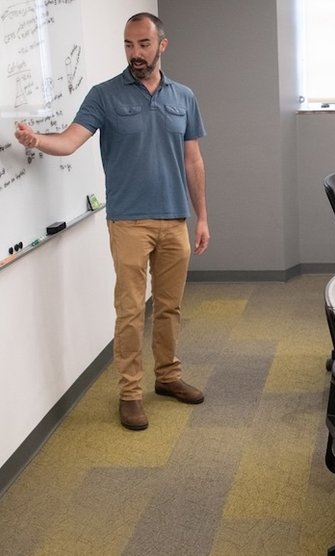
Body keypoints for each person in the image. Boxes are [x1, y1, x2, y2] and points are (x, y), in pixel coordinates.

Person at [14, 12, 208, 431]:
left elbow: (193, 160)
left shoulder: (184, 97)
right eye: (128, 45)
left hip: (175, 219)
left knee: (170, 308)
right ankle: (130, 393)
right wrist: (37, 141)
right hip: (129, 223)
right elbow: (69, 140)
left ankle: (168, 377)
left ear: (162, 45)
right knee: (130, 310)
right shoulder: (104, 96)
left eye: (142, 44)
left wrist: (203, 217)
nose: (135, 53)